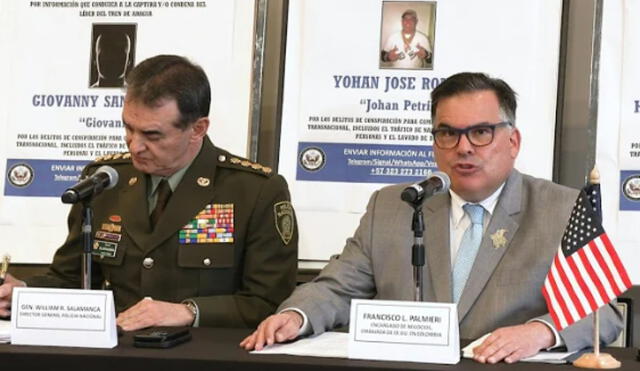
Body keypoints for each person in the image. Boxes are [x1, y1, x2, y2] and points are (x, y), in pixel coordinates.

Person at [240, 72, 623, 363]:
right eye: (448, 134)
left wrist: (539, 332)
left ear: (513, 141)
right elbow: (336, 288)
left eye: (481, 133)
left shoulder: (561, 208)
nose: (463, 148)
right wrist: (296, 315)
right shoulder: (394, 206)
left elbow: (602, 315)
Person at [0, 55, 298, 331]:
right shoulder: (105, 181)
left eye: (152, 135)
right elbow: (72, 279)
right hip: (112, 354)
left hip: (202, 357)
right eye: (128, 128)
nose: (134, 146)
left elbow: (268, 302)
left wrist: (188, 312)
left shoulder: (254, 190)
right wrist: (25, 293)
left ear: (198, 129)